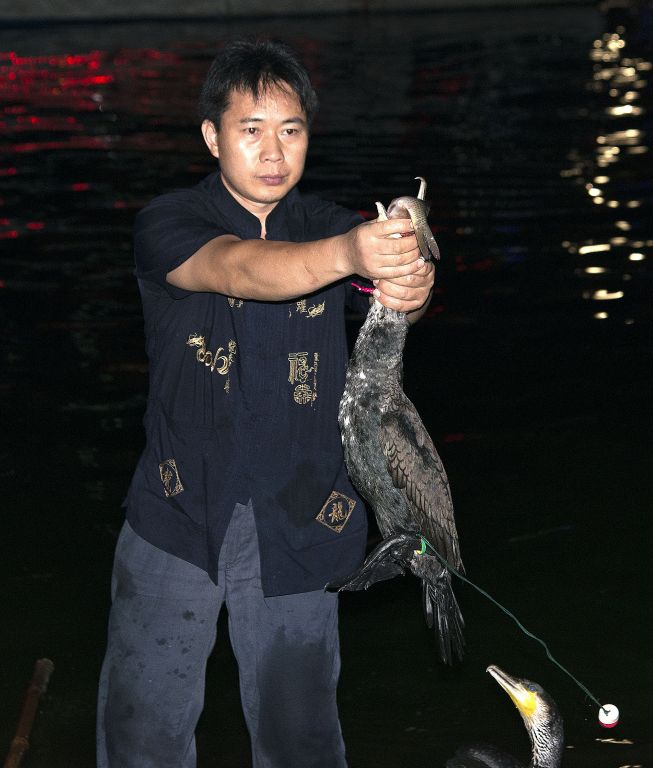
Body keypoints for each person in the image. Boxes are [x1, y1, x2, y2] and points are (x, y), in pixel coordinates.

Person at [96, 38, 435, 768]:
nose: (274, 151)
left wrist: (411, 279)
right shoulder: (168, 222)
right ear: (212, 136)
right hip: (178, 517)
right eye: (251, 130)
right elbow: (240, 269)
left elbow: (396, 282)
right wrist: (351, 256)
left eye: (292, 130)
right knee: (141, 742)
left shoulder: (327, 221)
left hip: (303, 523)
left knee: (303, 745)